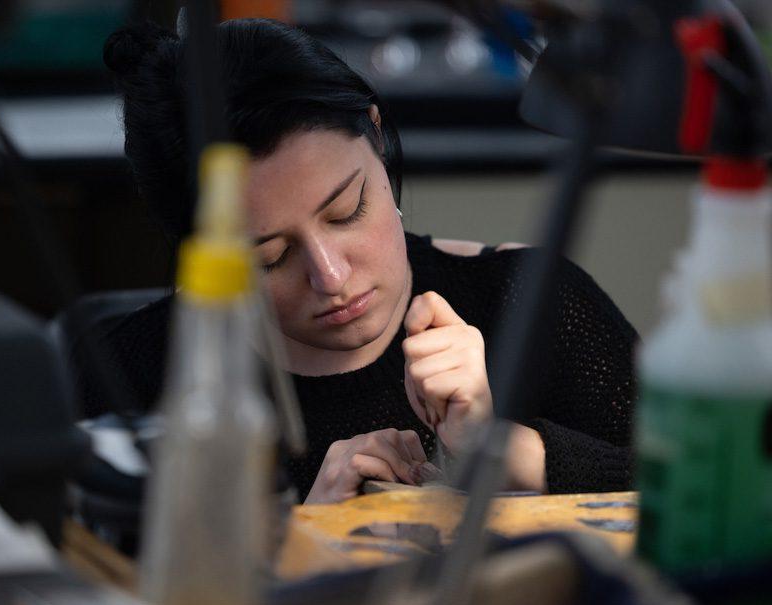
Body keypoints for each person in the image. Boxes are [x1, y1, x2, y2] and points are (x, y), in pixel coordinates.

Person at [83, 18, 638, 504]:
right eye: (269, 256)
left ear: (375, 134)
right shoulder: (132, 377)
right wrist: (304, 538)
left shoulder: (531, 300)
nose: (331, 276)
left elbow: (695, 497)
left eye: (347, 211)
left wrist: (507, 450)